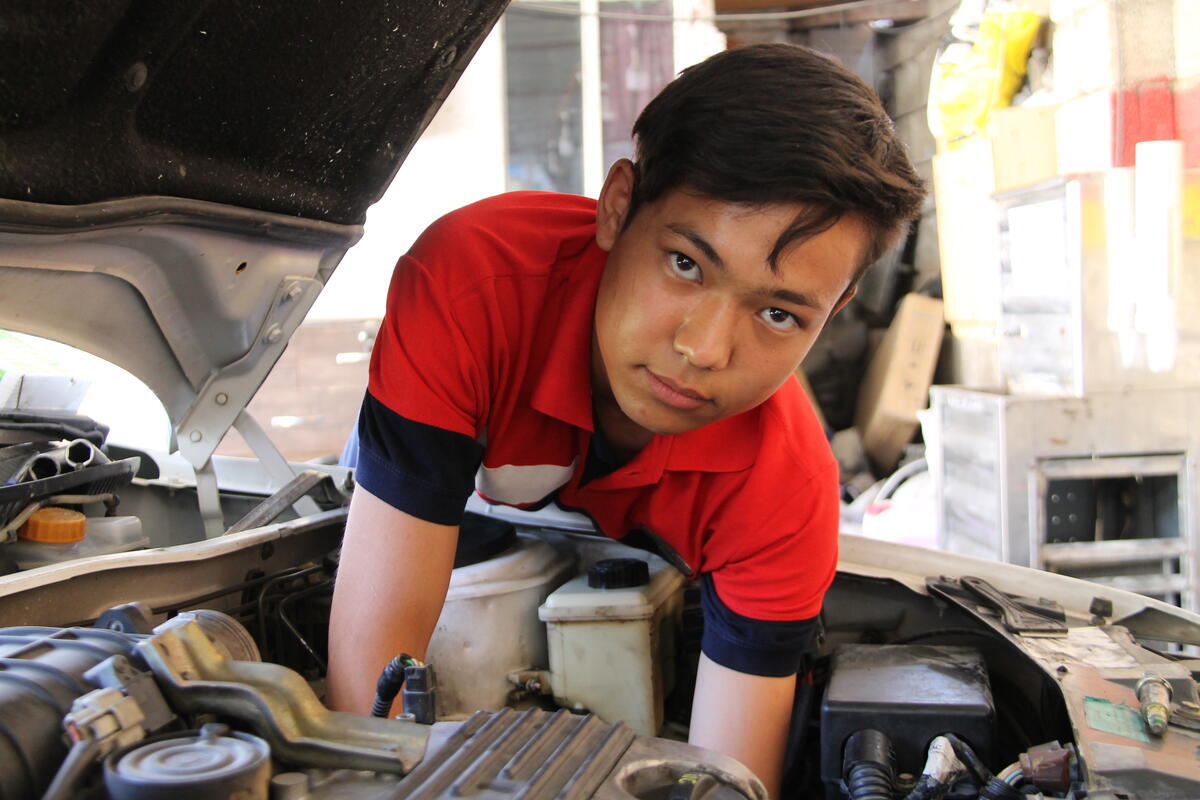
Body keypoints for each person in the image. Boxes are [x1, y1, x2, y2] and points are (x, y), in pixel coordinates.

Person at [327, 42, 924, 797]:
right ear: (618, 206)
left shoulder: (784, 487)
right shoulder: (474, 286)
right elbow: (363, 726)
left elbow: (728, 779)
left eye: (778, 313)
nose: (703, 351)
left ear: (833, 314)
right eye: (686, 264)